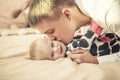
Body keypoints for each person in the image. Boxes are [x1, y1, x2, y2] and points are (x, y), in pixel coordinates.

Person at [28, 0, 120, 64]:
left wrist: (97, 60)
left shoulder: (111, 16)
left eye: (51, 31)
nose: (52, 39)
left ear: (67, 14)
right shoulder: (82, 18)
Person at [29, 30, 120, 63]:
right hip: (111, 48)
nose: (56, 49)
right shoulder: (70, 54)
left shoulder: (67, 39)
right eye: (52, 54)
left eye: (52, 45)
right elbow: (84, 43)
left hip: (109, 37)